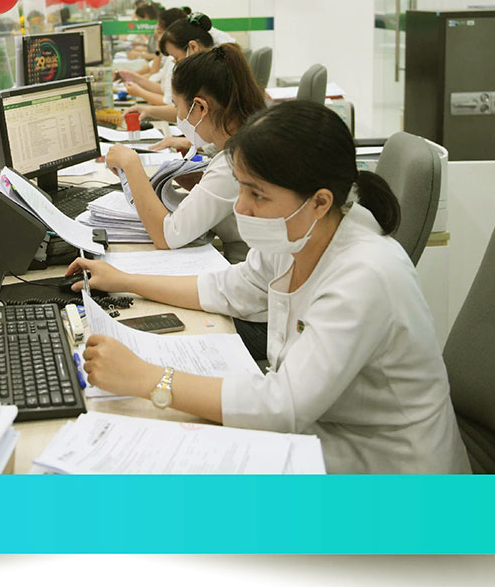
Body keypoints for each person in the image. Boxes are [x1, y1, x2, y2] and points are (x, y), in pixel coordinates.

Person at [66, 100, 472, 474]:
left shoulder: (366, 275)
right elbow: (231, 287)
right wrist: (125, 280)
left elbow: (284, 405)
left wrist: (148, 379)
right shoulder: (299, 234)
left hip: (391, 472)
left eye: (257, 194)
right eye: (241, 186)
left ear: (320, 201)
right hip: (325, 434)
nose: (240, 206)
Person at [105, 44, 265, 262]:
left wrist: (130, 164)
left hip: (242, 269)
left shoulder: (232, 162)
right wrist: (202, 183)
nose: (178, 115)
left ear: (200, 108)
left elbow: (167, 237)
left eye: (176, 105)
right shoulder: (252, 138)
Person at [124, 12, 215, 124]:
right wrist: (147, 110)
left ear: (193, 47)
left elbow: (193, 116)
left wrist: (141, 95)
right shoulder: (199, 72)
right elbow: (185, 113)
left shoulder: (214, 77)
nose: (174, 62)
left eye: (176, 57)